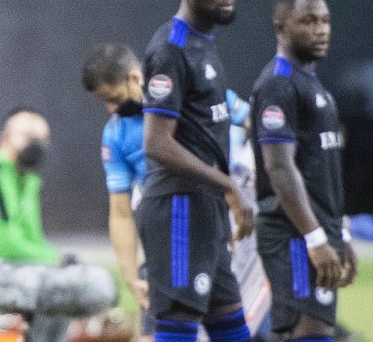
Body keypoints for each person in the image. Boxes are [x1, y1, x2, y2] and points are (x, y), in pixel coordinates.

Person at [81, 42, 255, 341]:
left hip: (214, 229)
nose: (112, 109)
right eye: (104, 102)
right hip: (167, 237)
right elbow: (120, 212)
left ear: (135, 78)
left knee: (231, 326)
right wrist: (132, 278)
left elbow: (256, 124)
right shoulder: (116, 134)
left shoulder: (194, 95)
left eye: (115, 98)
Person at [137, 0, 253, 342]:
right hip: (177, 209)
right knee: (179, 326)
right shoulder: (171, 49)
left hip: (207, 210)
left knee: (232, 328)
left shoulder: (205, 43)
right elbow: (157, 143)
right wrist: (230, 187)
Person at [251, 0, 358, 341]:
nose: (321, 29)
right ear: (281, 26)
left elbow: (323, 174)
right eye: (309, 21)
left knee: (313, 333)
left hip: (316, 232)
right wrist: (315, 239)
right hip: (293, 236)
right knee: (304, 333)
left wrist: (338, 233)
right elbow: (279, 168)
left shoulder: (312, 85)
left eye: (325, 21)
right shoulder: (279, 85)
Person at [0, 107, 66, 341]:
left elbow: (32, 238)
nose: (36, 144)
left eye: (42, 139)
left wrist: (58, 261)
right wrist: (55, 260)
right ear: (5, 138)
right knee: (52, 284)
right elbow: (5, 244)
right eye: (28, 136)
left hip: (3, 264)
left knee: (63, 287)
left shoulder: (28, 179)